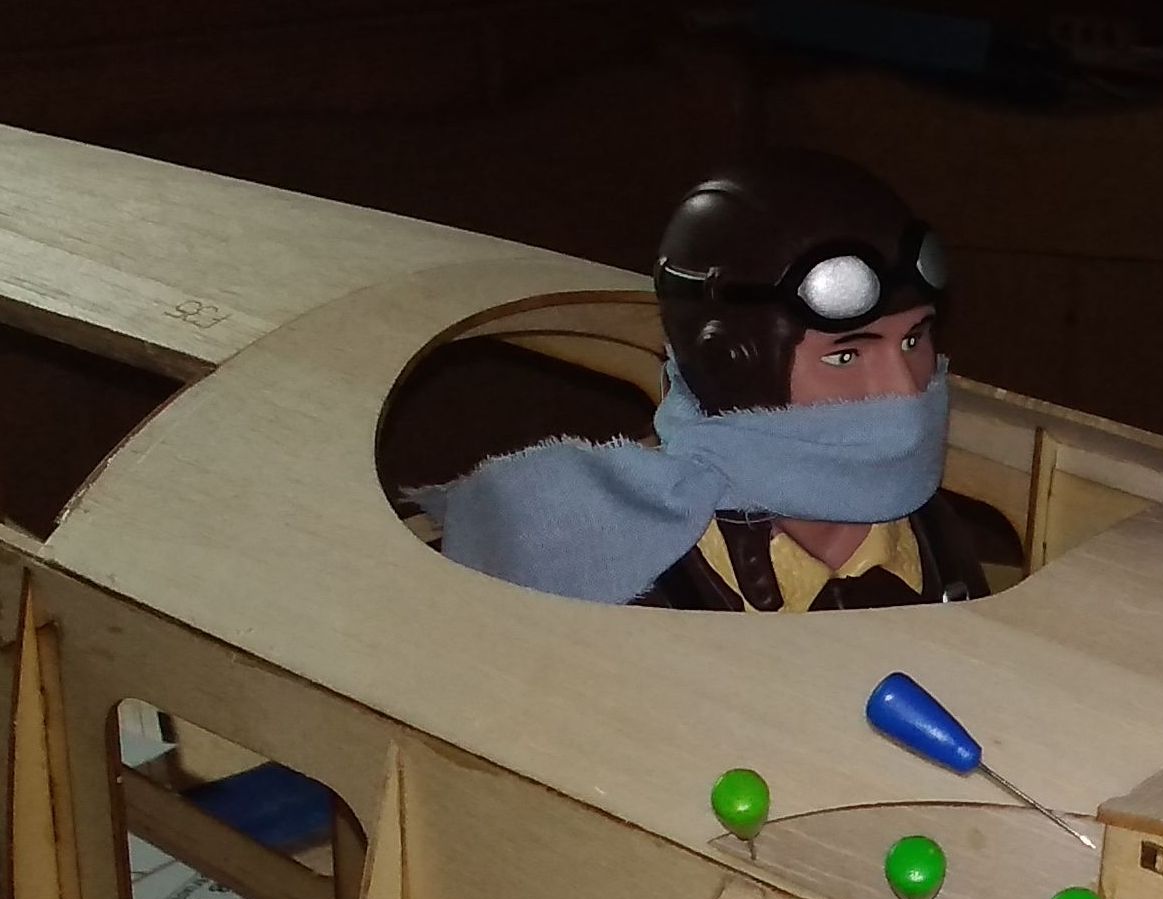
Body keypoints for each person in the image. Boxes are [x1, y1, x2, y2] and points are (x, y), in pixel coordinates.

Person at [411, 150, 987, 611]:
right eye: (846, 357)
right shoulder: (641, 566)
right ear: (732, 365)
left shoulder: (930, 531)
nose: (905, 390)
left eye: (913, 341)